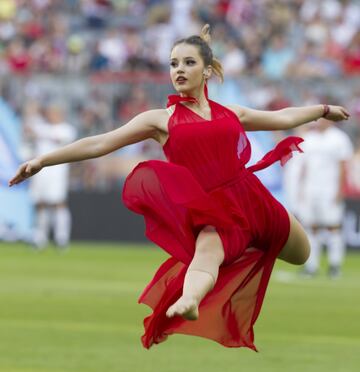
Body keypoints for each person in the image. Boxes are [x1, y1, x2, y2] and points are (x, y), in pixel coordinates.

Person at [9, 25, 350, 350]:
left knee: (302, 253)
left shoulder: (230, 112)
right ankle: (190, 299)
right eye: (173, 63)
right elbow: (100, 143)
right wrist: (43, 160)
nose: (179, 70)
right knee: (207, 255)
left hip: (252, 198)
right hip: (215, 211)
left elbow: (283, 117)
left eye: (189, 62)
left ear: (208, 71)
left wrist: (323, 110)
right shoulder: (161, 120)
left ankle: (223, 275)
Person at [297, 119, 354, 277]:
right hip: (311, 189)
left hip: (329, 189)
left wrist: (340, 189)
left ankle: (335, 265)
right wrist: (301, 187)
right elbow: (304, 165)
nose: (319, 121)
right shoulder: (309, 138)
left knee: (333, 226)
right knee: (311, 226)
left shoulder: (339, 138)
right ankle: (311, 266)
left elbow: (343, 165)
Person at [25, 103, 77, 249]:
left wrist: (38, 132)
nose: (51, 115)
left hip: (57, 172)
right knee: (40, 203)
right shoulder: (42, 127)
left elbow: (58, 140)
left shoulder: (67, 130)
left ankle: (61, 238)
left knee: (58, 203)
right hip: (40, 173)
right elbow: (28, 130)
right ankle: (40, 238)